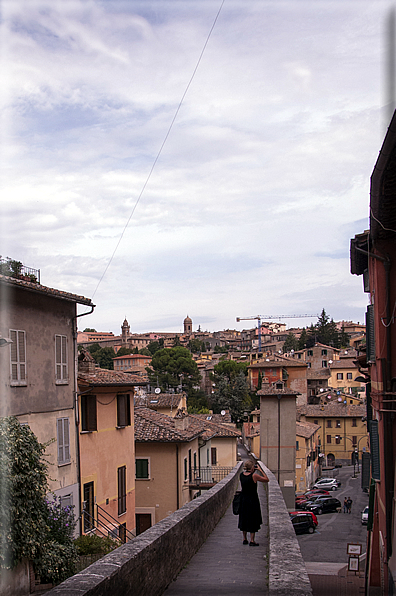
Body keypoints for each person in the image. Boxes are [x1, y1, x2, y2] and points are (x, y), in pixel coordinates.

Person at [238, 460, 269, 546]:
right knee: (252, 518)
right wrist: (260, 470)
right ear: (252, 468)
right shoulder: (254, 476)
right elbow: (267, 479)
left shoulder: (241, 475)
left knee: (244, 518)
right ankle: (252, 540)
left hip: (243, 499)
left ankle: (244, 539)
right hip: (252, 500)